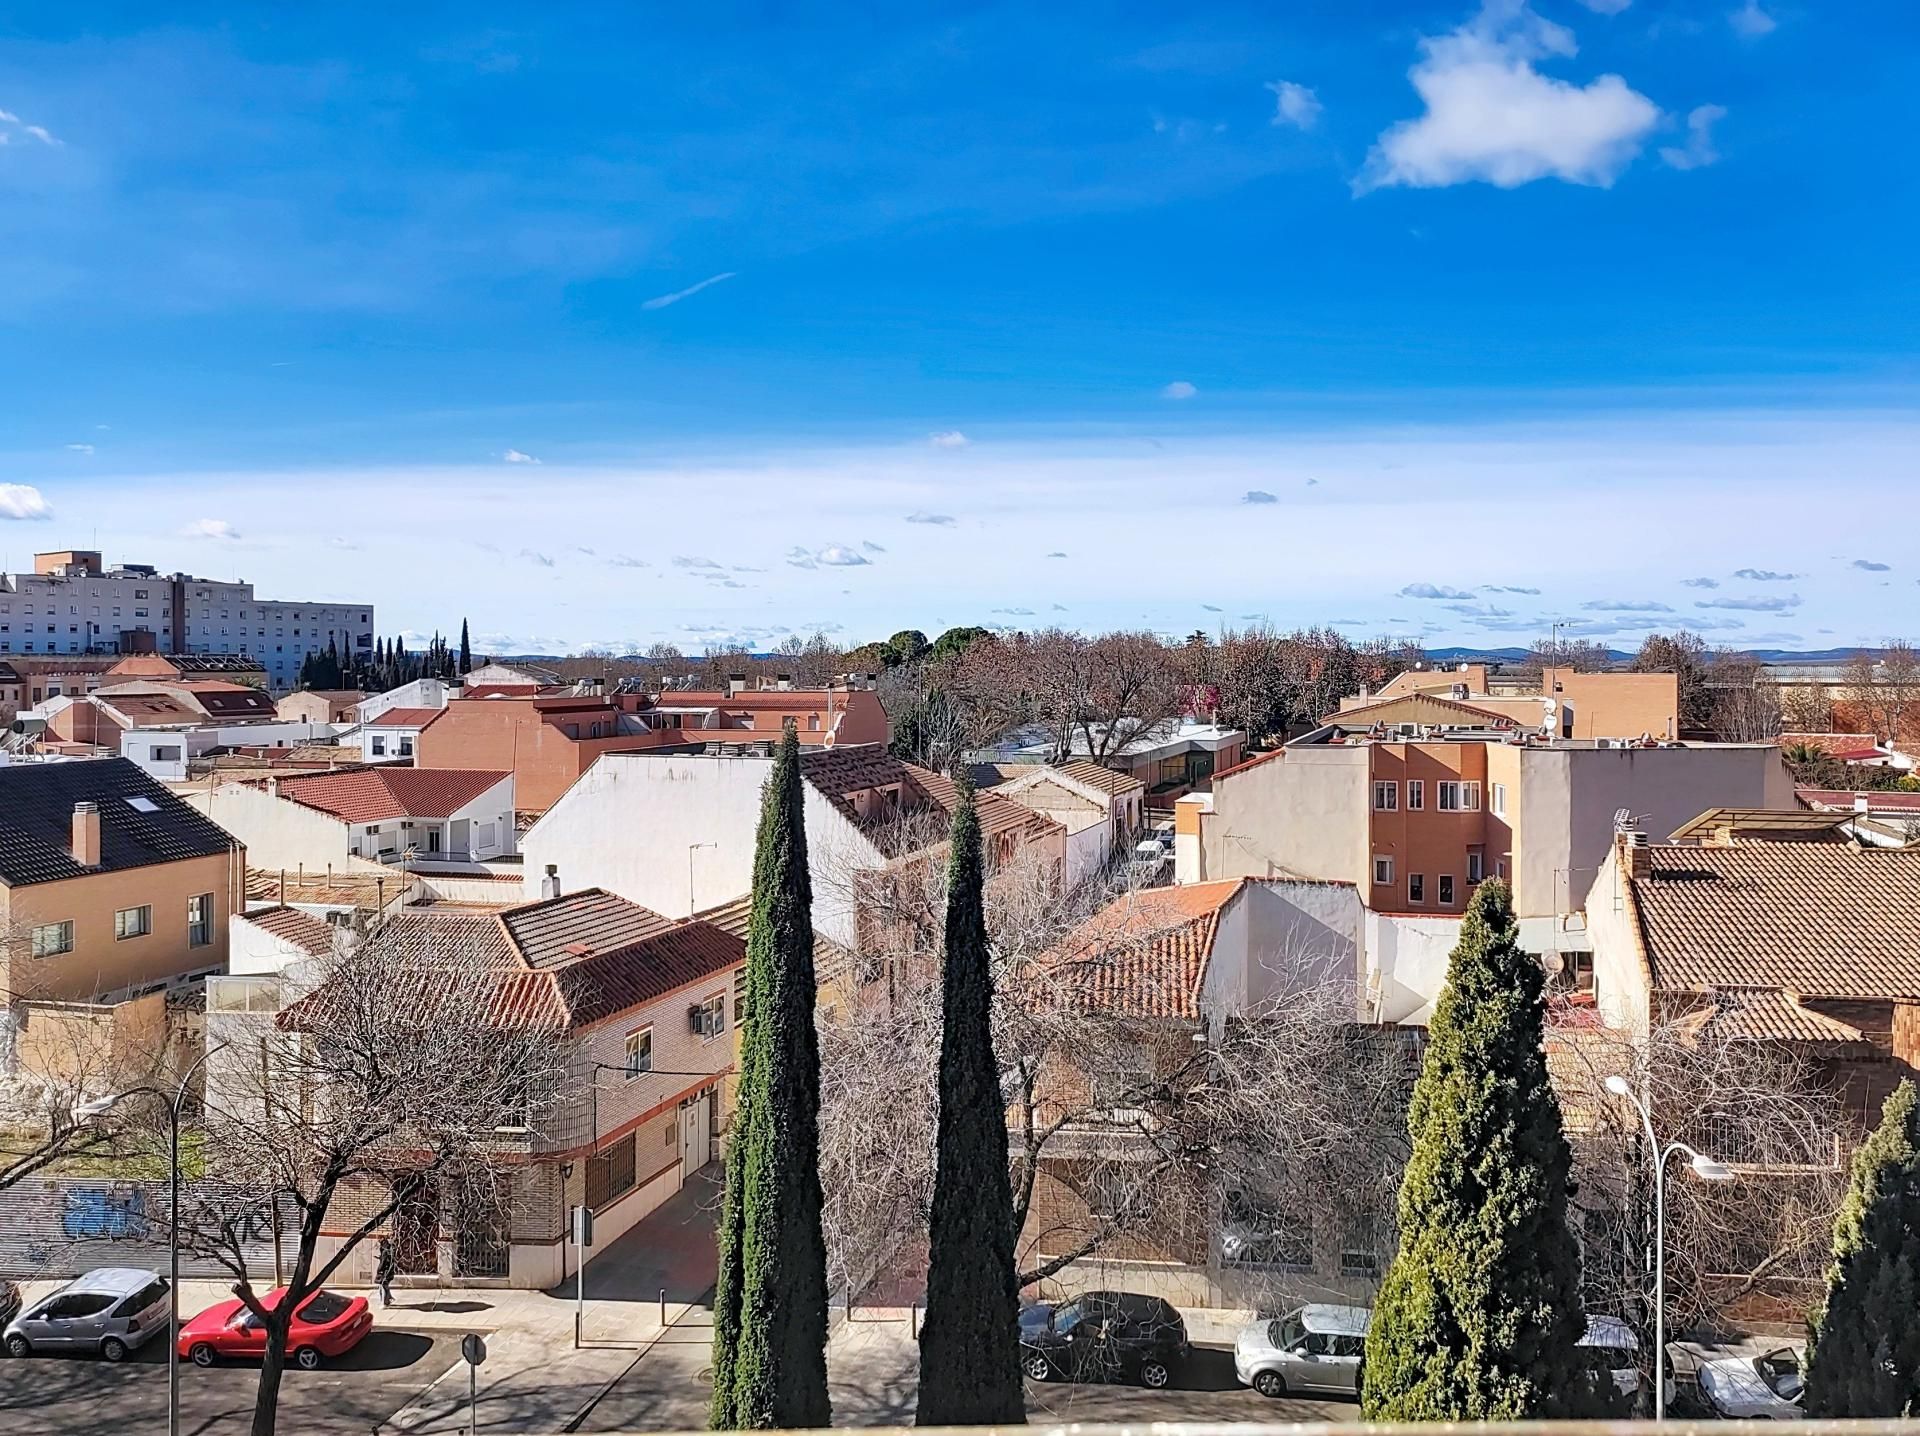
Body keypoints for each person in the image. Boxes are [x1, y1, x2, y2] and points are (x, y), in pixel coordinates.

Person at [375, 1235, 396, 1307]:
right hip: (388, 1270)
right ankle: (389, 1298)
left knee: (383, 1286)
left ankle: (384, 1302)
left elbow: (384, 1262)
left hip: (385, 1271)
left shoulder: (385, 1250)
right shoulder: (387, 1248)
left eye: (379, 1239)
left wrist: (379, 1269)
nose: (378, 1241)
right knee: (384, 1285)